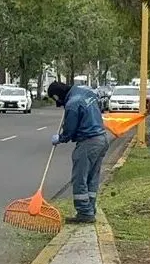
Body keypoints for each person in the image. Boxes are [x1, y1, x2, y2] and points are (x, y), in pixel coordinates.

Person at [47, 81, 110, 224]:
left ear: (57, 96)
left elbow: (70, 131)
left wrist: (60, 138)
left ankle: (84, 212)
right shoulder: (86, 93)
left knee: (80, 178)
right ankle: (90, 209)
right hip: (101, 139)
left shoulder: (72, 104)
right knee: (92, 177)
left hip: (88, 142)